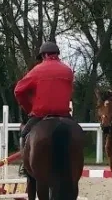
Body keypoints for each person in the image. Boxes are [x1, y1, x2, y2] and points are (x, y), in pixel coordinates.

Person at [13, 41, 75, 175]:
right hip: (64, 114)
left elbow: (18, 91)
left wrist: (29, 107)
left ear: (44, 55)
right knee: (77, 134)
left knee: (24, 135)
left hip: (41, 114)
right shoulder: (68, 71)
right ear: (57, 54)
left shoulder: (37, 70)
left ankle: (24, 165)